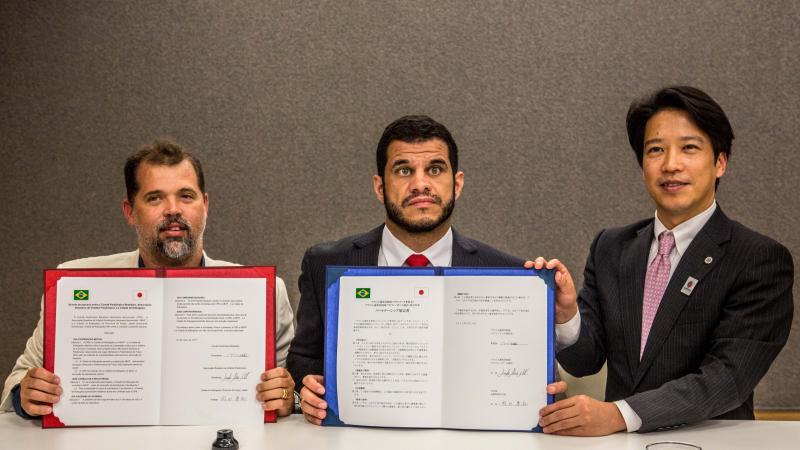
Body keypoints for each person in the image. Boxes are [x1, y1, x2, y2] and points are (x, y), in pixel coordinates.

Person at [536, 86, 794, 435]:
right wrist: (567, 316)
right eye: (655, 150)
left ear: (719, 162)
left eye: (689, 147)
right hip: (621, 445)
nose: (671, 165)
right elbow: (586, 360)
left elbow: (727, 378)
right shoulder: (611, 247)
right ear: (642, 165)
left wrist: (618, 415)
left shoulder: (758, 259)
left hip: (713, 441)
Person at [288, 115, 567, 424]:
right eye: (404, 170)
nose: (420, 184)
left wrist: (546, 395)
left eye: (435, 169)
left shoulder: (511, 275)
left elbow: (539, 381)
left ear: (457, 184)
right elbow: (302, 362)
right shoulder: (325, 263)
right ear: (380, 187)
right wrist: (305, 392)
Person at [1, 140, 297, 418]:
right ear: (130, 211)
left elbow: (291, 395)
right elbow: (15, 384)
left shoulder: (264, 294)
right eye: (155, 198)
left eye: (186, 196)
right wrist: (25, 395)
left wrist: (286, 397)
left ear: (205, 206)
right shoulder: (73, 286)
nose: (173, 210)